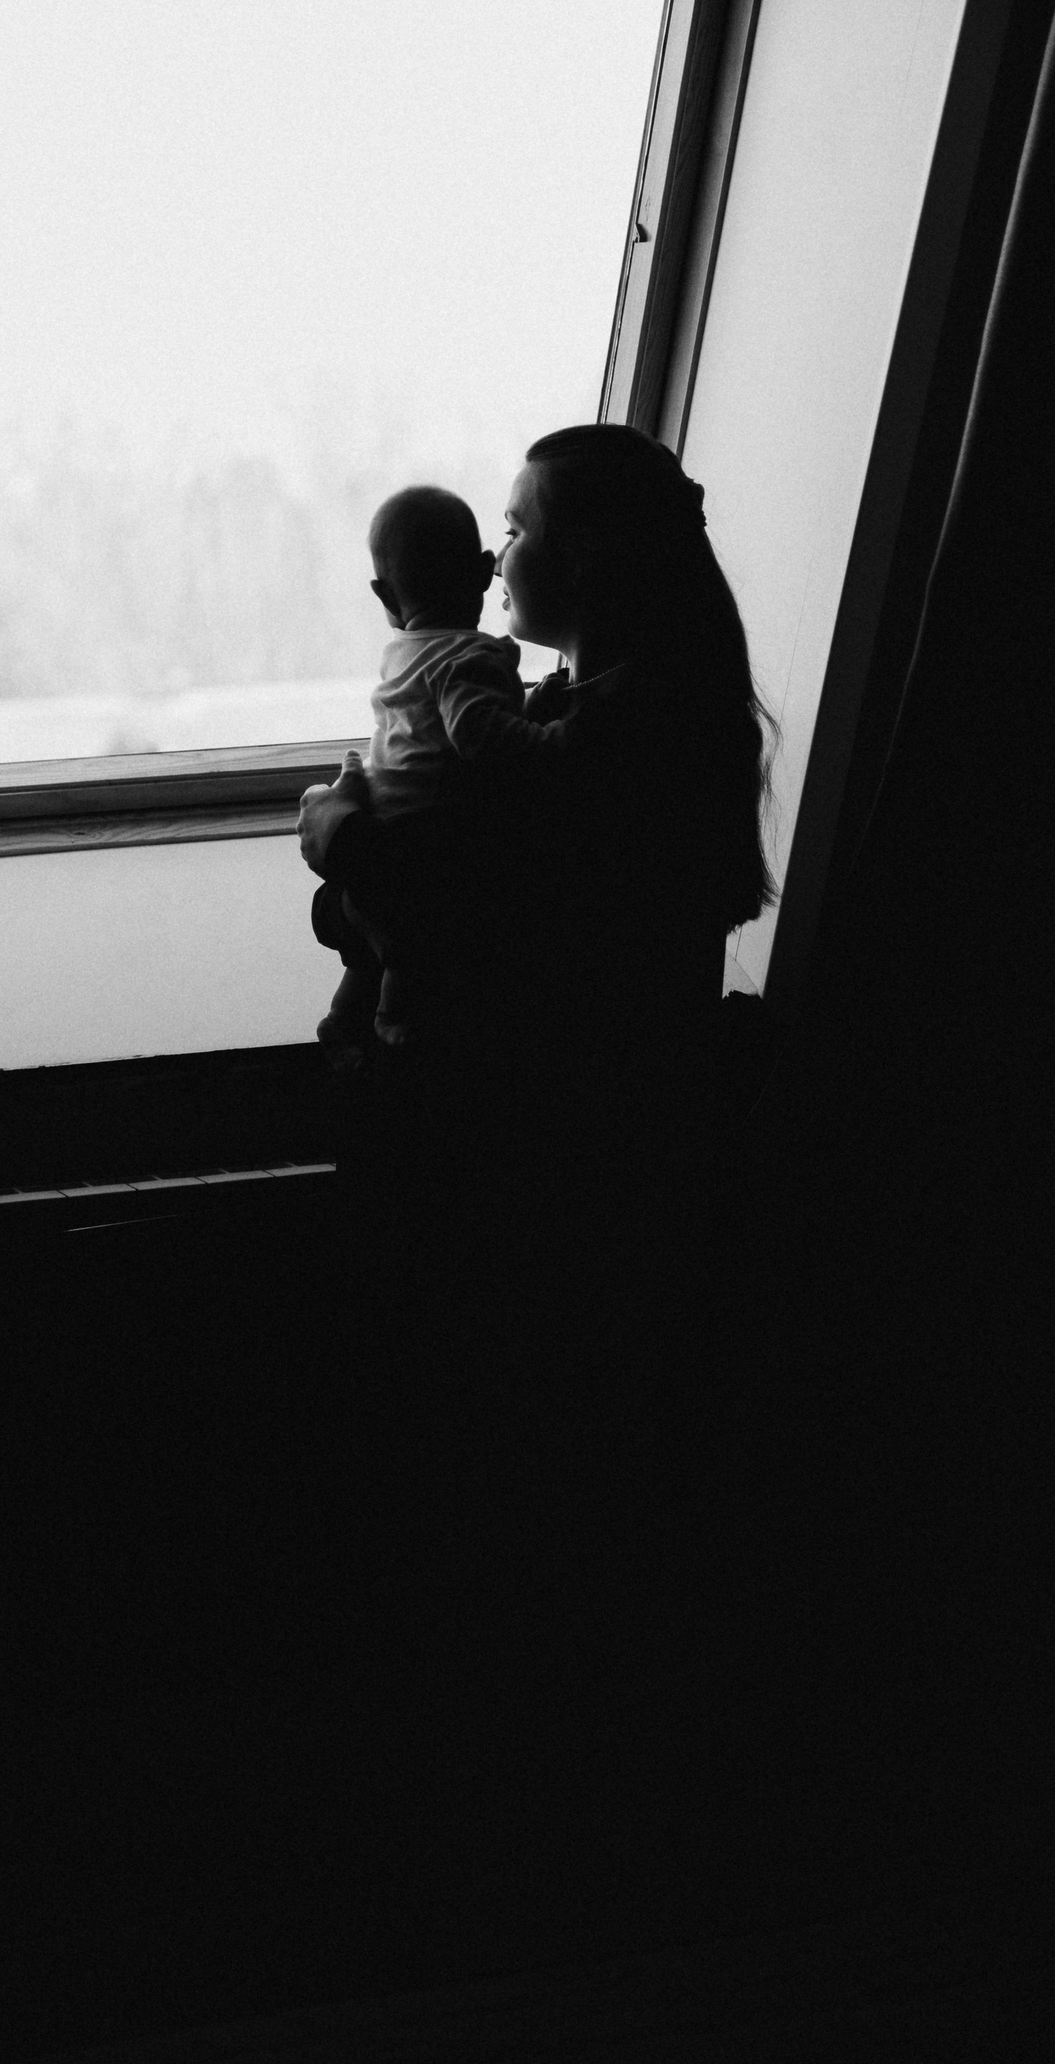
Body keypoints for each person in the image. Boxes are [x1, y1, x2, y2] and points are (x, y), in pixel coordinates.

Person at [300, 424, 779, 1656]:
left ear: (591, 560)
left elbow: (454, 919)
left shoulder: (612, 743)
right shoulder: (590, 713)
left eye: (515, 525)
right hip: (542, 1130)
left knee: (503, 1463)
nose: (496, 550)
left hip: (552, 1157)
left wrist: (338, 837)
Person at [308, 484, 524, 1048]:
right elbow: (484, 740)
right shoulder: (472, 655)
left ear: (384, 593)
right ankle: (392, 1026)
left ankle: (344, 1022)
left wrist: (339, 823)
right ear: (483, 570)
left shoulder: (402, 652)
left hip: (383, 818)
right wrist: (542, 733)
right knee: (405, 955)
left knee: (375, 951)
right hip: (426, 830)